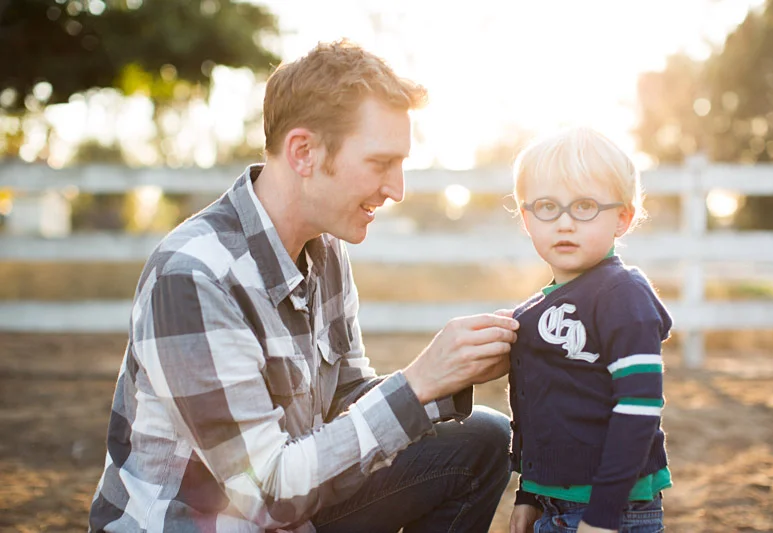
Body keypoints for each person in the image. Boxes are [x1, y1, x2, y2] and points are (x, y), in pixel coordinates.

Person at [88, 40, 518, 533]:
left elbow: (345, 403)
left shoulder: (325, 249)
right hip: (216, 520)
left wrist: (451, 375)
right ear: (304, 152)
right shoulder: (193, 277)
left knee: (481, 439)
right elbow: (266, 493)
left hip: (288, 509)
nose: (397, 189)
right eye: (381, 163)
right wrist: (417, 383)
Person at [507, 127, 673, 533]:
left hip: (612, 510)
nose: (565, 223)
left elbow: (639, 408)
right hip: (553, 502)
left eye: (585, 206)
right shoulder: (535, 311)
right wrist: (529, 493)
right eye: (547, 206)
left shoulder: (622, 295)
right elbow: (544, 408)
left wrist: (604, 513)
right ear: (526, 219)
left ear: (622, 218)